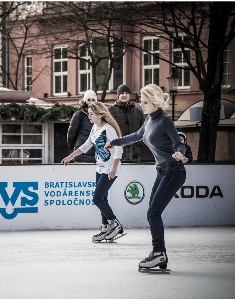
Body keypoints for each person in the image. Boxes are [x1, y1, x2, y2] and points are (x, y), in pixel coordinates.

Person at [105, 84, 187, 269]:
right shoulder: (149, 119)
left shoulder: (164, 120)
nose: (141, 105)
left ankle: (158, 253)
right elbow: (136, 135)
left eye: (144, 102)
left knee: (153, 213)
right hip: (163, 170)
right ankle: (160, 254)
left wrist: (180, 152)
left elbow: (178, 143)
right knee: (152, 212)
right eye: (141, 101)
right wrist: (114, 142)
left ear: (155, 102)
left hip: (174, 170)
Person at [62, 101, 125, 242]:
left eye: (91, 114)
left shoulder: (108, 129)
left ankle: (115, 224)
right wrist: (70, 157)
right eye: (89, 114)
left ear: (99, 114)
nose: (89, 116)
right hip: (100, 168)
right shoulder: (95, 128)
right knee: (103, 199)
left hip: (110, 168)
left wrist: (114, 168)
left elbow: (119, 149)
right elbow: (86, 146)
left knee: (97, 198)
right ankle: (105, 227)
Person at [109, 84, 145, 162]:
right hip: (117, 154)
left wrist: (139, 144)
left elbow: (143, 131)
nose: (124, 95)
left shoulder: (137, 112)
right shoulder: (110, 111)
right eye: (122, 93)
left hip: (134, 154)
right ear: (118, 95)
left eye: (126, 93)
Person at [66, 90, 97, 163]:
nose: (91, 102)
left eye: (93, 100)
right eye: (89, 100)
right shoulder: (79, 114)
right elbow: (71, 136)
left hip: (96, 156)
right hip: (81, 156)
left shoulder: (99, 115)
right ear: (84, 100)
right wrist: (75, 151)